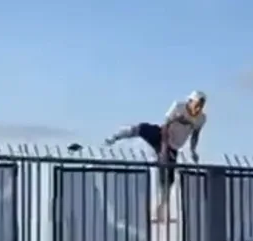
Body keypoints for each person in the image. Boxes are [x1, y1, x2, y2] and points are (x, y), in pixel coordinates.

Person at [71, 91, 207, 220]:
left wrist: (193, 150)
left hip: (174, 146)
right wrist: (164, 147)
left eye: (201, 106)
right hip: (162, 136)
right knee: (142, 128)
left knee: (167, 181)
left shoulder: (201, 118)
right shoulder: (179, 106)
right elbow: (165, 125)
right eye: (197, 104)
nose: (198, 108)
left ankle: (160, 208)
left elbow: (195, 135)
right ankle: (115, 137)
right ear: (190, 101)